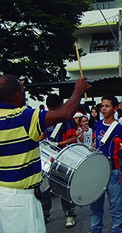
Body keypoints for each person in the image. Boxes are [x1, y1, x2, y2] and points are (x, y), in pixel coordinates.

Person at [0, 74, 90, 233]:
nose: (25, 92)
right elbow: (66, 113)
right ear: (17, 95)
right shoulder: (23, 117)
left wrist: (16, 86)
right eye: (22, 90)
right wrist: (78, 91)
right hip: (19, 199)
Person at [89, 95, 122, 233]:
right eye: (102, 106)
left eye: (107, 106)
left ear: (114, 108)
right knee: (95, 207)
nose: (103, 109)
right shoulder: (97, 125)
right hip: (97, 172)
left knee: (116, 208)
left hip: (113, 171)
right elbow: (94, 144)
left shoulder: (119, 128)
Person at [40, 94, 80, 228]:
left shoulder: (66, 119)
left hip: (63, 157)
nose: (52, 112)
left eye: (54, 109)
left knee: (63, 187)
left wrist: (58, 143)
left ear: (60, 106)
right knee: (43, 187)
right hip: (47, 156)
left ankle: (69, 214)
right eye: (50, 109)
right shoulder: (45, 117)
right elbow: (43, 134)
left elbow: (73, 138)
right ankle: (44, 214)